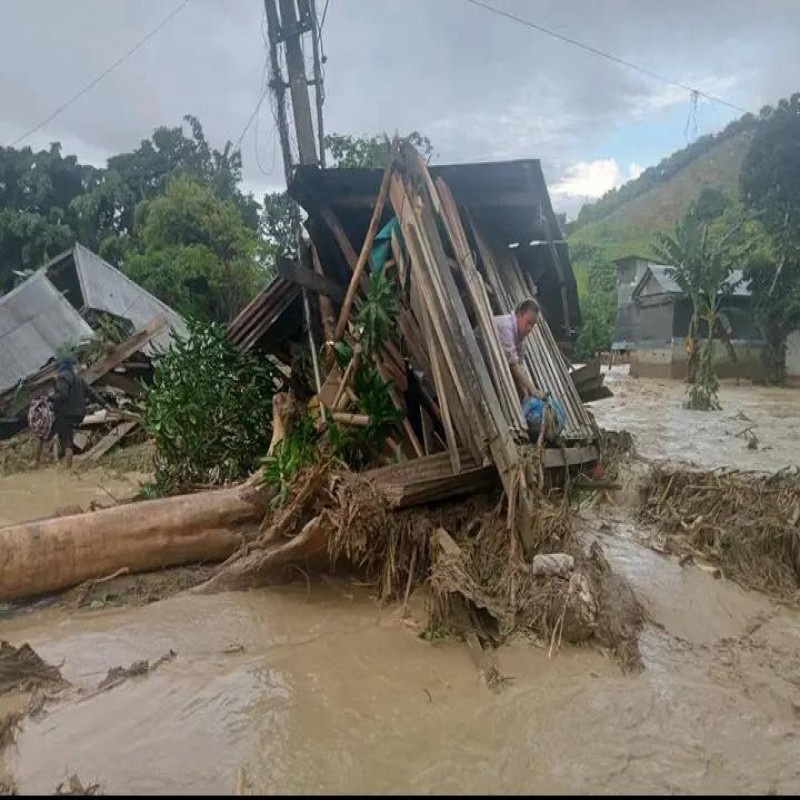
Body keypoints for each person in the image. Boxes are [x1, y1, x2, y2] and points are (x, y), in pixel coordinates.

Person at [33, 359, 103, 469]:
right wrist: (105, 404)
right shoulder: (79, 379)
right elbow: (92, 393)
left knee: (43, 436)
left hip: (63, 415)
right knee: (68, 441)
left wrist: (49, 398)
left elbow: (62, 395)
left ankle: (35, 462)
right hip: (77, 415)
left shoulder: (62, 377)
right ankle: (68, 470)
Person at [489, 298, 543, 400]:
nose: (529, 328)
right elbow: (513, 365)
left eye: (532, 325)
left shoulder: (520, 341)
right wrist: (533, 390)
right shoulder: (507, 327)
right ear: (519, 315)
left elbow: (520, 368)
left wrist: (527, 396)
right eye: (528, 322)